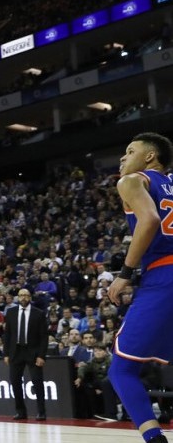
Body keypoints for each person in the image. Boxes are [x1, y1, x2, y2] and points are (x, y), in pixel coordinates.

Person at [107, 132, 173, 443]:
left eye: (130, 151)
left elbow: (148, 220)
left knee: (121, 371)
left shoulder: (132, 181)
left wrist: (125, 273)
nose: (123, 158)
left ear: (149, 157)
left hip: (163, 276)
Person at [2, 288, 48, 421]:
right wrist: (6, 353)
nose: (23, 298)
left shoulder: (38, 313)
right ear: (17, 297)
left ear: (30, 297)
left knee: (37, 382)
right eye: (21, 295)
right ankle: (20, 411)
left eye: (26, 295)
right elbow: (7, 334)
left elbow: (44, 337)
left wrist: (41, 355)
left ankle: (41, 412)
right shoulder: (10, 312)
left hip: (32, 352)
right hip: (15, 352)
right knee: (15, 382)